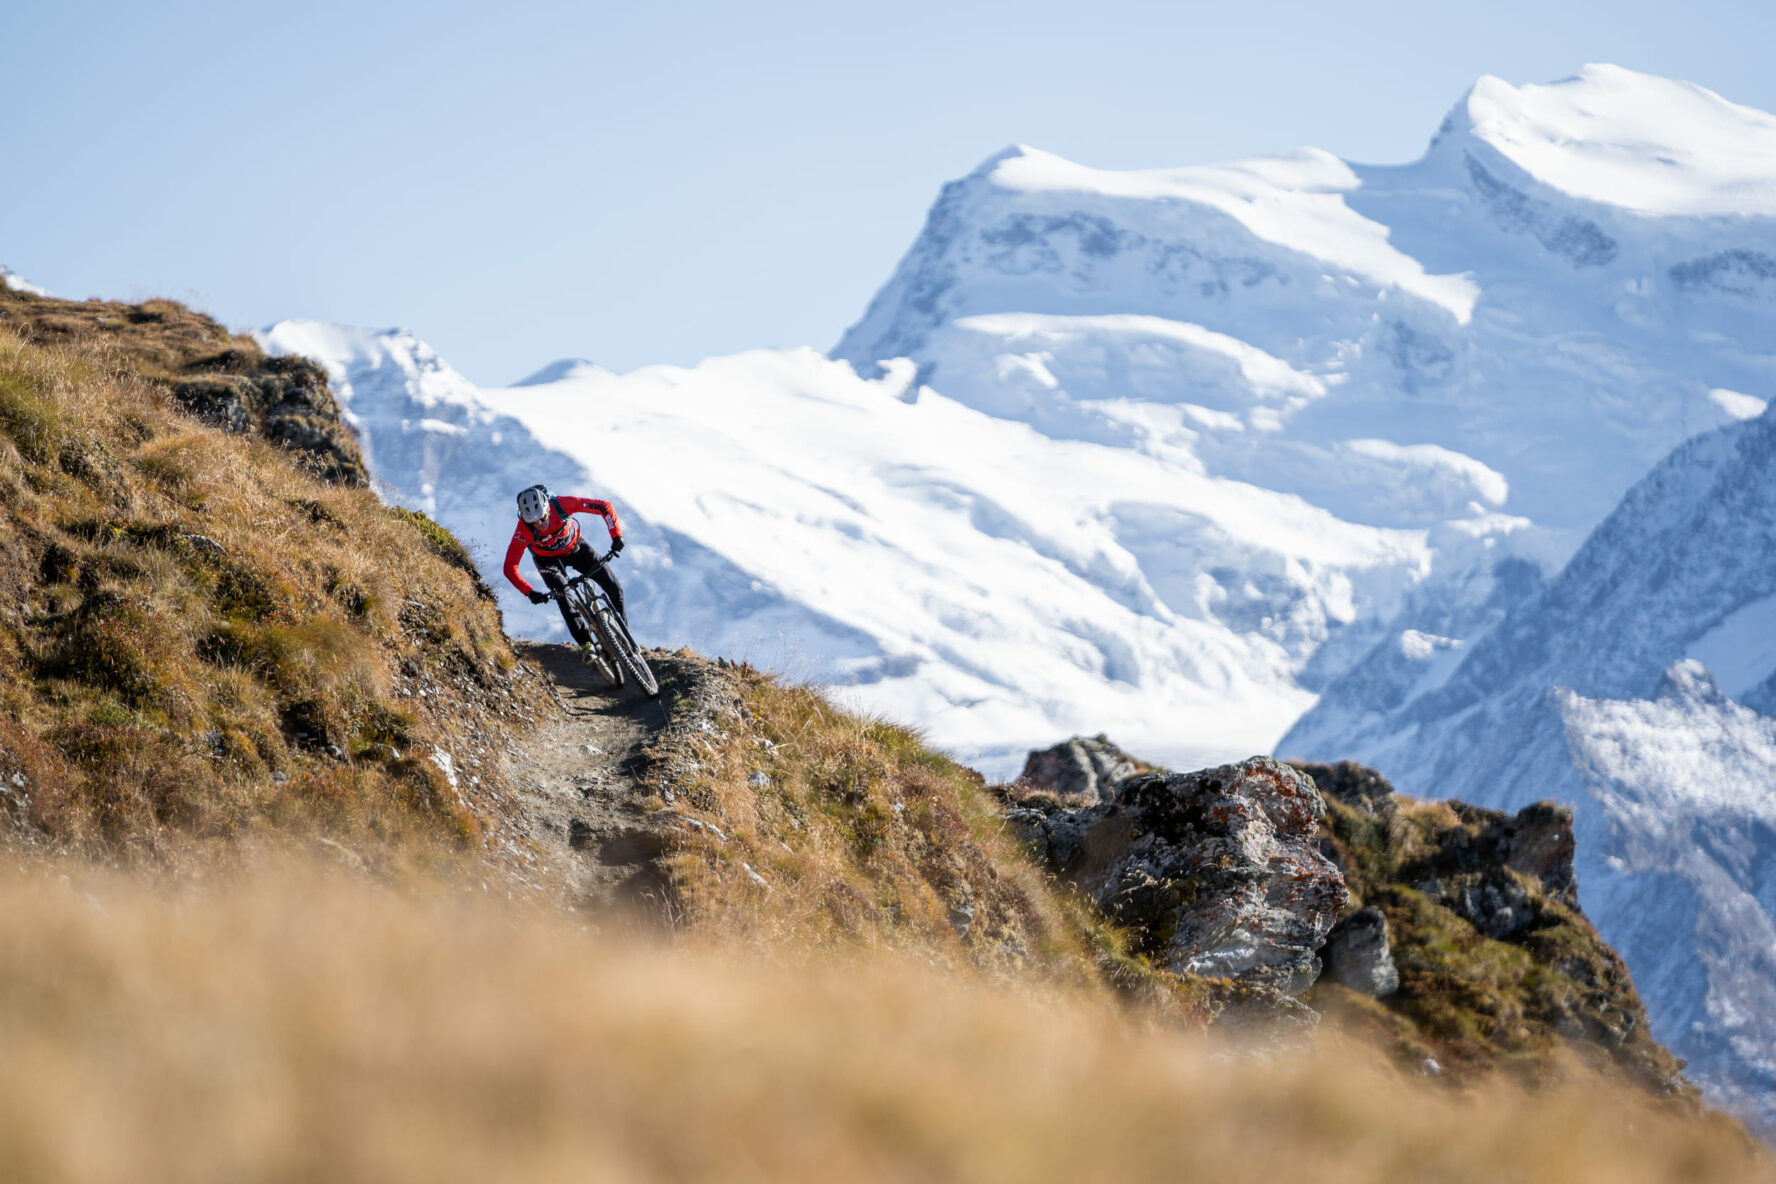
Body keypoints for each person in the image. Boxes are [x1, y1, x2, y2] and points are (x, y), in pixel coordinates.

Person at [502, 484, 628, 651]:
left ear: (547, 507)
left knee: (614, 588)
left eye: (542, 517)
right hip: (547, 561)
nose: (540, 524)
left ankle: (624, 637)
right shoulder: (523, 531)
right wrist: (529, 592)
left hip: (576, 548)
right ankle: (587, 645)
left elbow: (605, 507)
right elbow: (509, 568)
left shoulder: (562, 504)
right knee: (563, 595)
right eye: (534, 522)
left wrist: (616, 536)